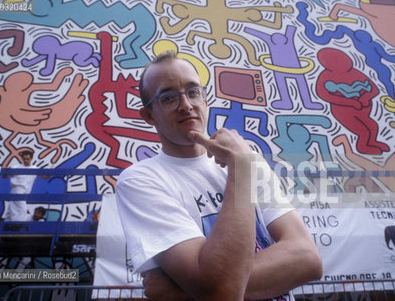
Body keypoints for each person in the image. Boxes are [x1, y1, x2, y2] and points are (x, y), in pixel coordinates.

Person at [115, 51, 322, 300]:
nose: (186, 105)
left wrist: (185, 292)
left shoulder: (247, 158)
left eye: (193, 92)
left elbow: (309, 259)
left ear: (205, 100)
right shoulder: (141, 180)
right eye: (168, 98)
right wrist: (241, 170)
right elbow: (221, 291)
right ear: (149, 116)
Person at [4, 150, 49, 222]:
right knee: (22, 212)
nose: (26, 160)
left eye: (28, 159)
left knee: (11, 212)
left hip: (24, 193)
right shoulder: (16, 167)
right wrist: (7, 170)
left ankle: (4, 227)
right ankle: (18, 228)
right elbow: (4, 176)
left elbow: (45, 177)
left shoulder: (35, 169)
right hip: (17, 191)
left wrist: (50, 173)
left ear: (31, 159)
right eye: (24, 159)